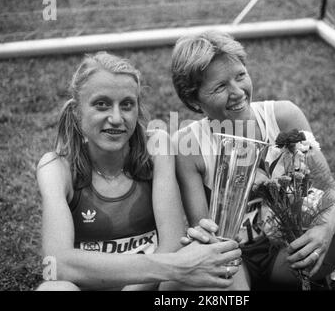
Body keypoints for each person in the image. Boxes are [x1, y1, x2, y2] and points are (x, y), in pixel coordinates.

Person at [170, 30, 335, 290]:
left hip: (287, 252)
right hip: (230, 256)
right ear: (193, 100)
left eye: (241, 76)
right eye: (220, 87)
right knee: (221, 269)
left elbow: (331, 191)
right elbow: (208, 237)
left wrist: (324, 228)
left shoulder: (284, 117)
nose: (238, 92)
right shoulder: (187, 145)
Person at [35, 51, 241, 291]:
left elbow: (172, 244)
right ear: (76, 112)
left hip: (148, 289)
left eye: (126, 105)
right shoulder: (55, 167)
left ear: (137, 110)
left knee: (212, 281)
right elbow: (55, 264)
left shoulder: (156, 148)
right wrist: (177, 265)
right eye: (101, 104)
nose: (116, 118)